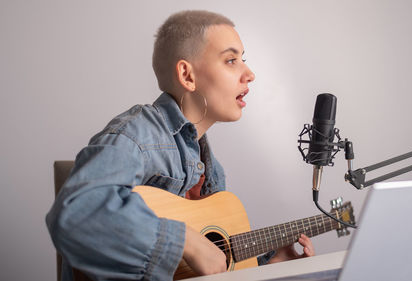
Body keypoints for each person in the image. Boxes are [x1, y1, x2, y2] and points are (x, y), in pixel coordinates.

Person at [46, 10, 314, 281]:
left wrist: (270, 265)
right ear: (188, 75)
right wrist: (184, 238)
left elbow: (214, 261)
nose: (250, 74)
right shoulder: (137, 135)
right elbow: (76, 213)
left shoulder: (212, 168)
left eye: (243, 59)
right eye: (231, 60)